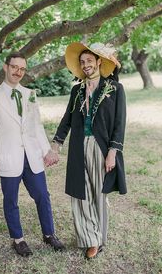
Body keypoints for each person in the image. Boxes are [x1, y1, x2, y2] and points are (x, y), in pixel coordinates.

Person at [0, 52, 64, 257]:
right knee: (11, 200)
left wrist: (47, 151)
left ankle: (49, 234)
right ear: (5, 67)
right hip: (9, 157)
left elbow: (36, 126)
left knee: (42, 196)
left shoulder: (30, 94)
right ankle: (18, 239)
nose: (18, 72)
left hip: (33, 157)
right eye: (14, 67)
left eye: (22, 68)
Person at [52, 42, 127, 259]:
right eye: (82, 62)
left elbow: (119, 124)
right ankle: (89, 239)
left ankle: (99, 238)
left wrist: (113, 151)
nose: (85, 65)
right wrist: (55, 146)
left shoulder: (114, 89)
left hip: (101, 147)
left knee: (98, 194)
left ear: (98, 62)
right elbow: (66, 120)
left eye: (89, 61)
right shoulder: (77, 90)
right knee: (79, 193)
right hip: (78, 146)